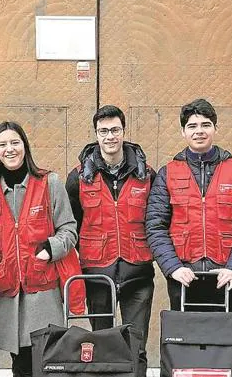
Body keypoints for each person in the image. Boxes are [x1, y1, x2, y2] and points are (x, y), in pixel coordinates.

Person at [66, 105, 155, 377]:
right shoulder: (79, 177)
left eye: (115, 130)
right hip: (96, 272)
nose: (109, 136)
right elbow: (72, 224)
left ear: (123, 131)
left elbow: (157, 220)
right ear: (96, 134)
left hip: (137, 270)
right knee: (102, 342)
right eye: (103, 131)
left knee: (135, 344)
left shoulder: (146, 175)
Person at [146, 98, 232, 311]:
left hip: (226, 276)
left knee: (225, 342)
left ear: (215, 128)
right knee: (184, 341)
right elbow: (155, 226)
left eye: (206, 125)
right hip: (183, 276)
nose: (199, 131)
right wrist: (173, 267)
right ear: (183, 132)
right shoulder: (167, 173)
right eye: (192, 126)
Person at [0, 121, 78, 377]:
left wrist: (49, 249)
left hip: (42, 289)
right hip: (8, 290)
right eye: (2, 144)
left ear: (25, 146)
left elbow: (69, 230)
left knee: (47, 361)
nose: (10, 149)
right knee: (21, 365)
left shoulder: (50, 182)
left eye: (15, 142)